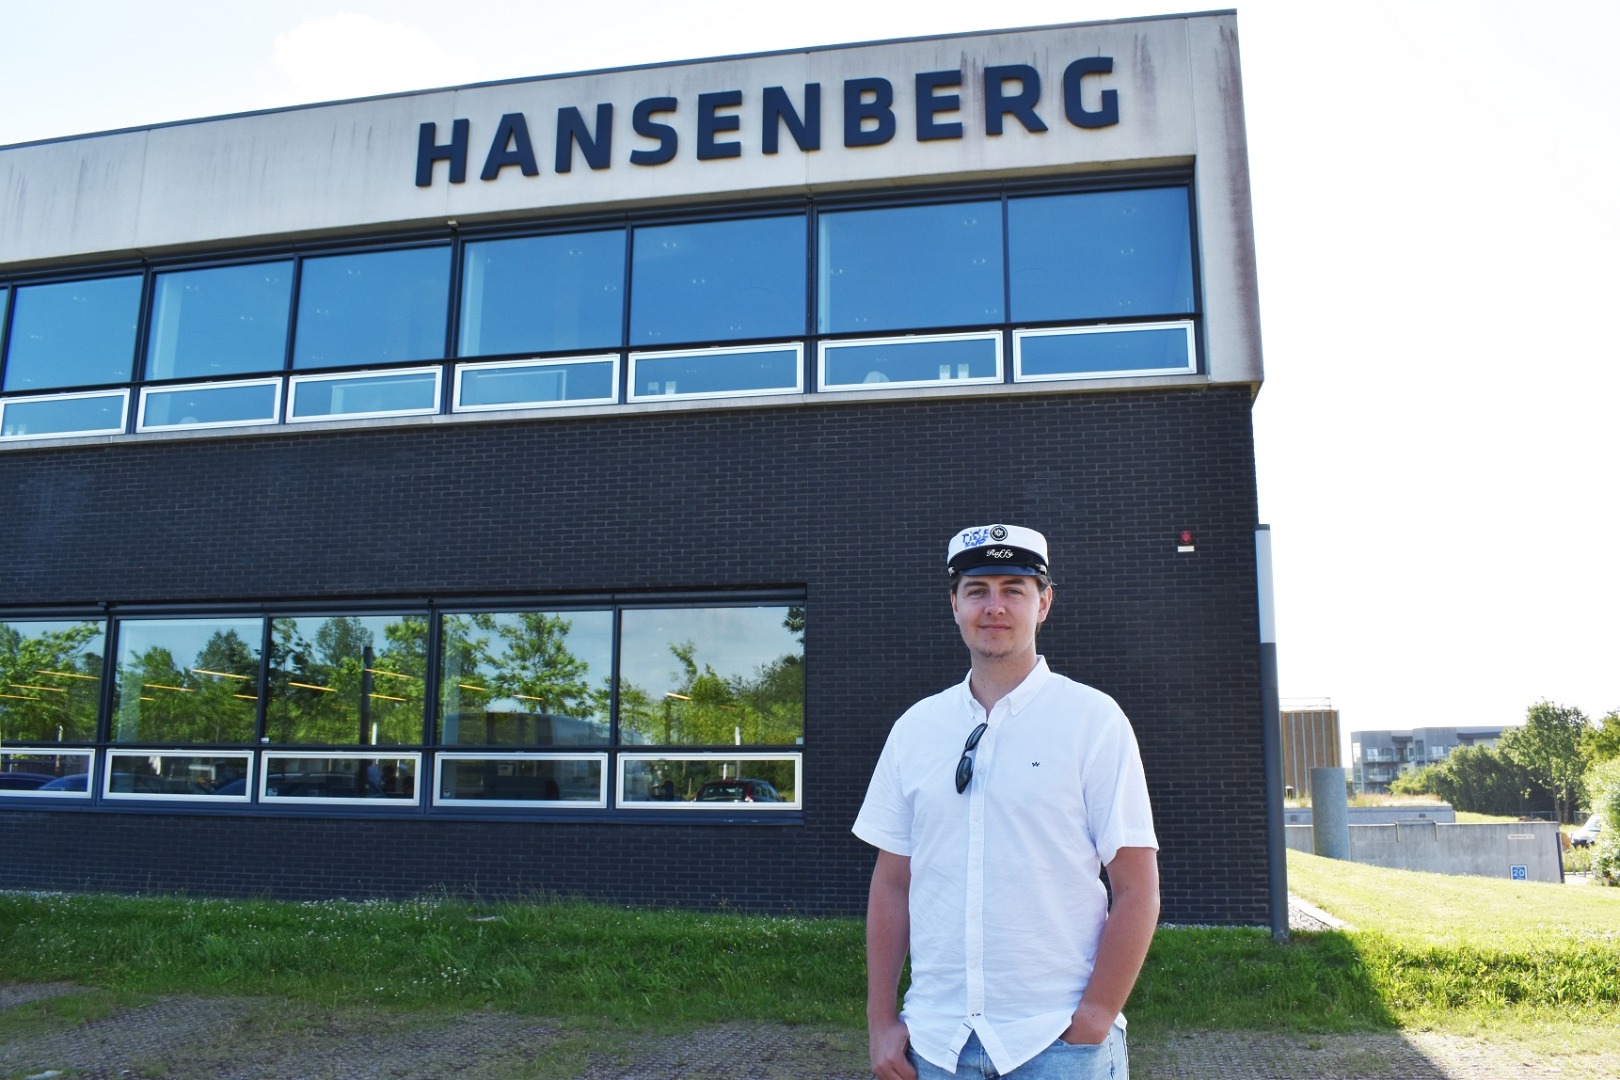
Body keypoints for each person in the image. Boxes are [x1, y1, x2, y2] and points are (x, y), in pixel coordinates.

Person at [853, 524, 1160, 1079]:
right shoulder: (916, 729)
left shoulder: (1093, 721)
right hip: (936, 1045)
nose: (994, 606)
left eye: (1014, 589)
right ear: (954, 604)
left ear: (1043, 603)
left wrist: (1092, 1019)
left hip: (1056, 1044)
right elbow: (892, 882)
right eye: (977, 590)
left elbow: (1137, 886)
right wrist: (880, 1023)